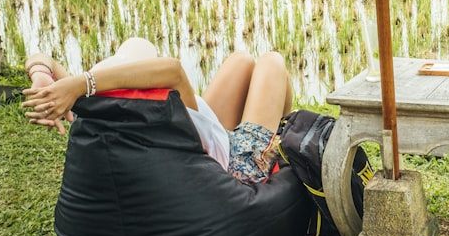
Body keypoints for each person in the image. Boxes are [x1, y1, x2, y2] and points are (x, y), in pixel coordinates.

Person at [23, 37, 293, 184]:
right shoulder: (118, 92)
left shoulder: (98, 100)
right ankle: (279, 142)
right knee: (272, 62)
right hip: (234, 161)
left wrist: (41, 75)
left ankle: (276, 129)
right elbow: (173, 70)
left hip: (203, 129)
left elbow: (41, 58)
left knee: (242, 60)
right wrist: (81, 83)